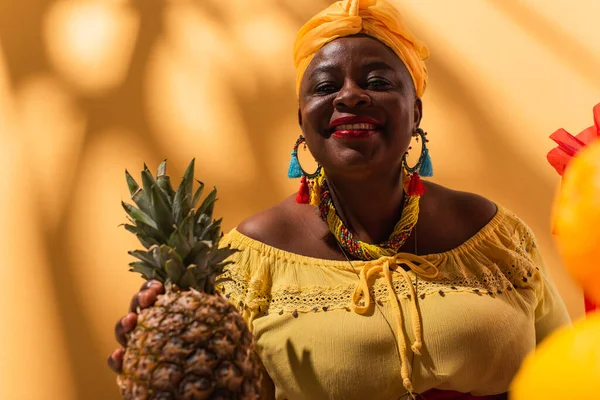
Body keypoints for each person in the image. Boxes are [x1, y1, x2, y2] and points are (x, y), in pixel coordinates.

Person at [108, 0, 571, 398]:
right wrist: (160, 358)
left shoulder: (494, 234)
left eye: (378, 81)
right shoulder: (245, 261)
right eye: (326, 87)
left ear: (416, 113)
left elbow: (569, 373)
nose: (351, 96)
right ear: (302, 122)